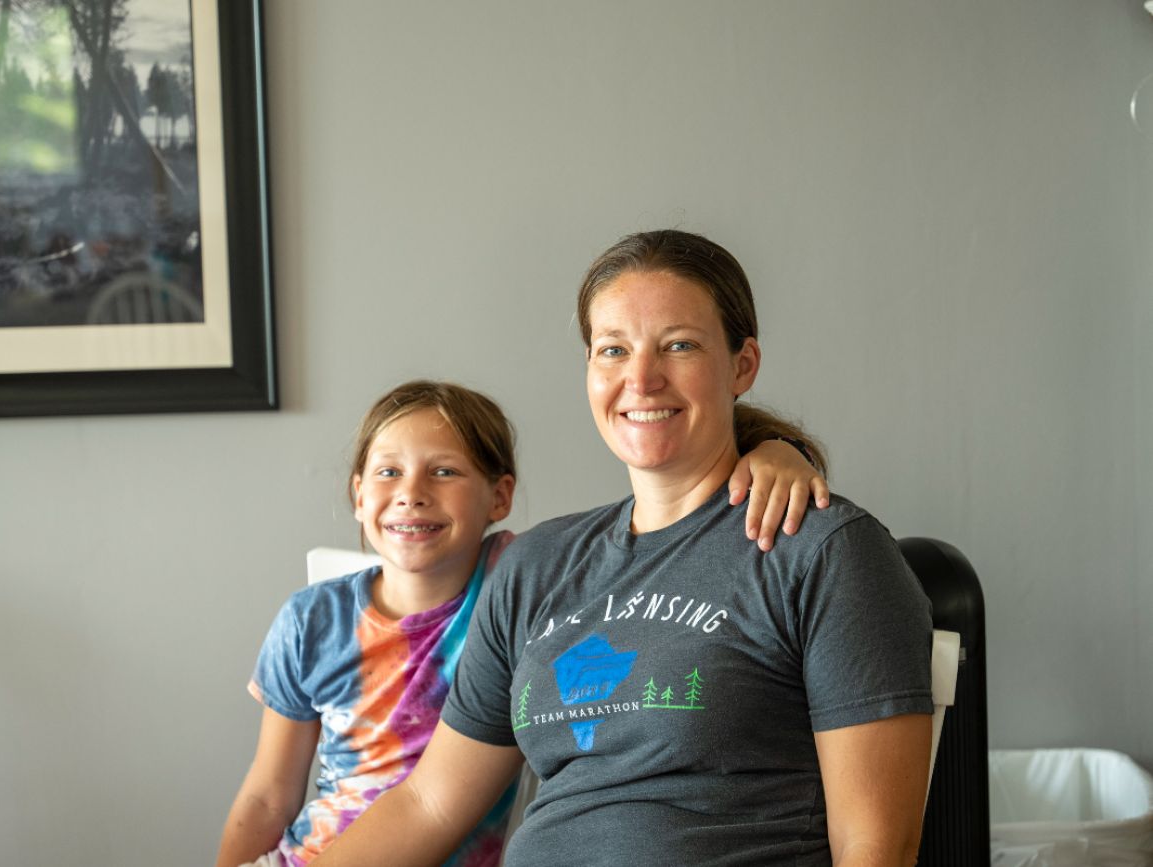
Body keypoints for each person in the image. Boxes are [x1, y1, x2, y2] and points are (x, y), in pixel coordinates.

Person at [310, 231, 935, 867]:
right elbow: (429, 804)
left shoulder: (822, 553)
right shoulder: (535, 566)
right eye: (613, 350)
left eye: (679, 345)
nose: (641, 378)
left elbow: (877, 848)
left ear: (742, 364)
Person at [216, 378, 826, 867]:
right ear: (357, 494)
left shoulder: (522, 582)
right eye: (387, 472)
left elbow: (638, 542)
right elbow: (269, 794)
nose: (411, 494)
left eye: (445, 471)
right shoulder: (310, 621)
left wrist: (776, 447)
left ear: (499, 497)